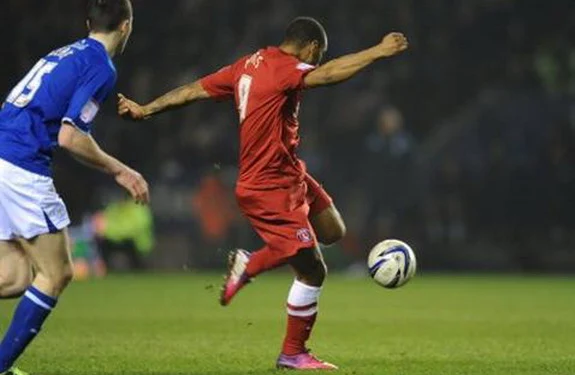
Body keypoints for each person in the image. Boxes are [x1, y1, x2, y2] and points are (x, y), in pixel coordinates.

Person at [118, 17, 407, 370]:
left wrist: (147, 109)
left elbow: (193, 89)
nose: (314, 64)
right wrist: (378, 51)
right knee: (313, 269)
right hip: (268, 185)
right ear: (312, 49)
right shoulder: (286, 69)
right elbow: (329, 75)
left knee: (333, 231)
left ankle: (277, 272)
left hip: (290, 174)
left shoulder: (248, 65)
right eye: (317, 57)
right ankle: (274, 314)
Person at [0, 1, 148, 374]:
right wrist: (120, 170)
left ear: (88, 23)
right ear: (126, 26)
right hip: (20, 167)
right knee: (57, 273)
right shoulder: (100, 66)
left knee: (14, 275)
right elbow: (70, 136)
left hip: (2, 155)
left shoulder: (64, 53)